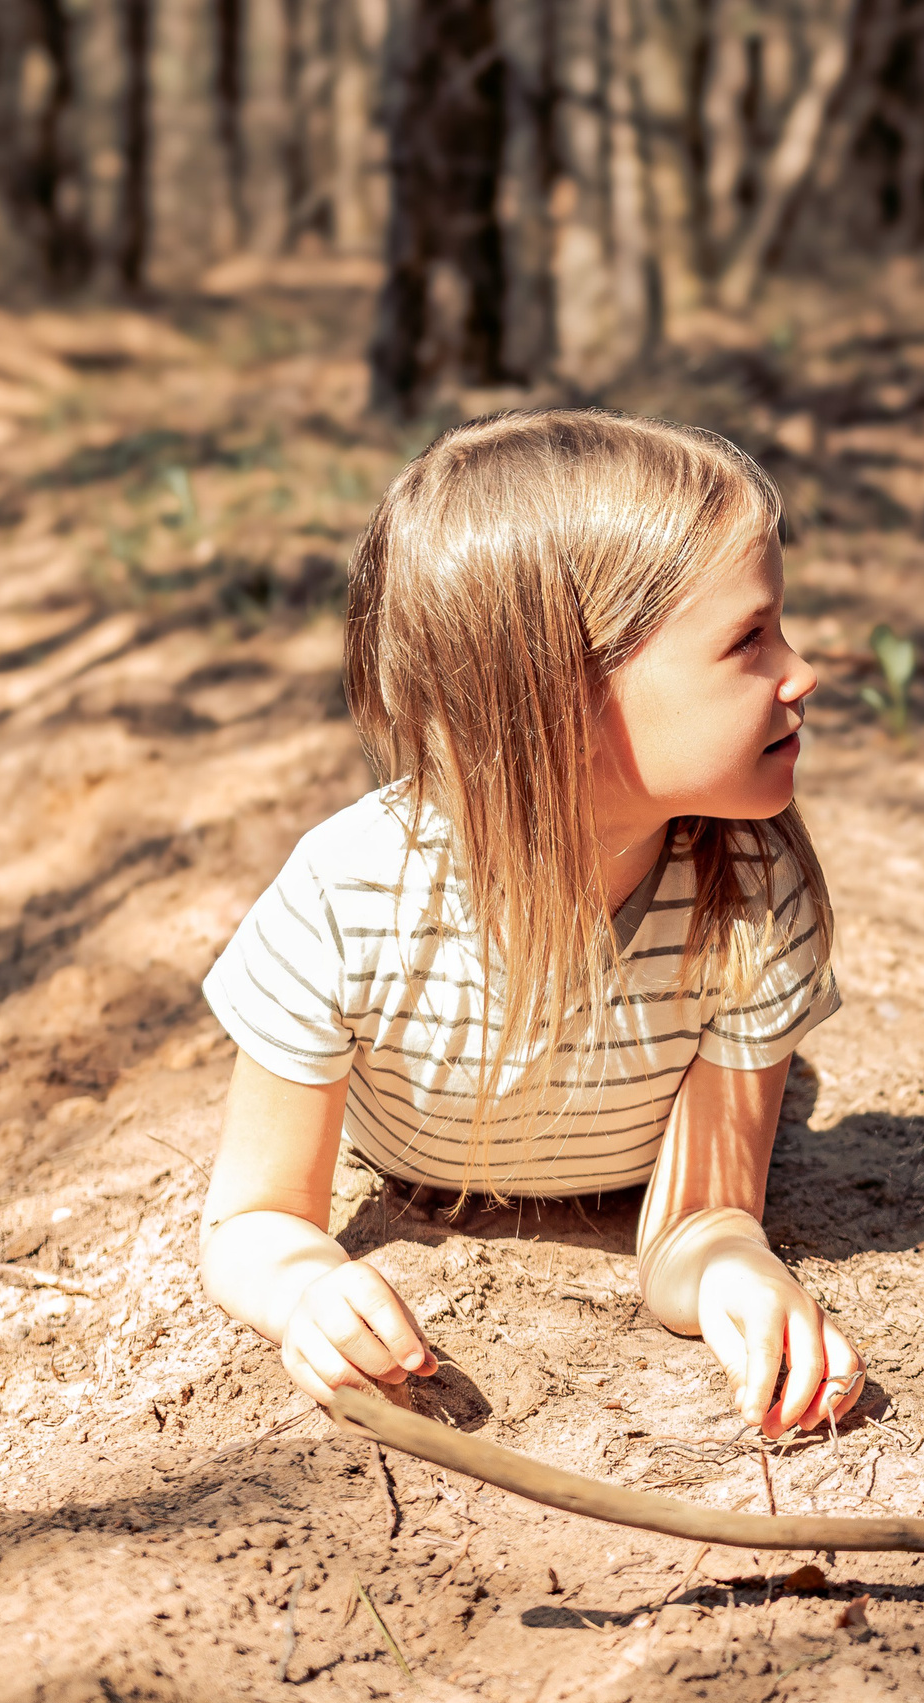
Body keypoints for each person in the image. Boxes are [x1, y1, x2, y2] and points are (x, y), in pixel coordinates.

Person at [197, 408, 858, 1439]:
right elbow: (254, 1217)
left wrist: (735, 1271)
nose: (801, 669)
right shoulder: (346, 896)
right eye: (748, 637)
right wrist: (305, 1287)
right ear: (563, 697)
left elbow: (695, 1219)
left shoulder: (753, 892)